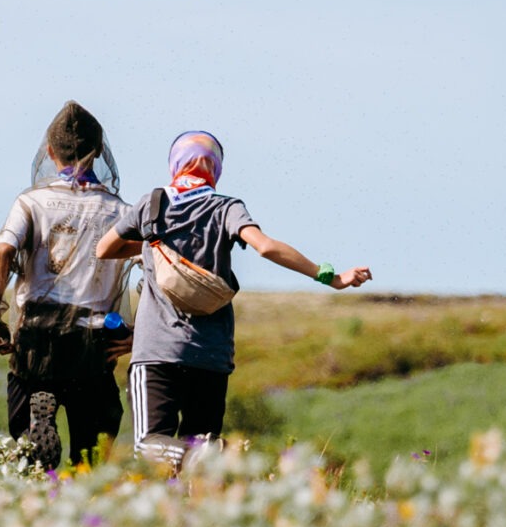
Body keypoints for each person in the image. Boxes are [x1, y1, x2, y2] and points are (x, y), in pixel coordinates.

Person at [94, 129, 370, 466]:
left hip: (157, 353)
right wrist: (330, 277)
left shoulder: (152, 205)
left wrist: (154, 243)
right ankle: (206, 457)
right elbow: (265, 247)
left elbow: (104, 249)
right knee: (200, 466)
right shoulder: (227, 208)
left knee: (150, 447)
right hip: (211, 354)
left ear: (175, 164)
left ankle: (202, 455)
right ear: (215, 168)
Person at [0, 102, 134, 469]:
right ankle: (85, 484)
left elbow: (2, 252)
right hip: (94, 339)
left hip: (37, 336)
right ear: (99, 152)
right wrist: (138, 334)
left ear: (49, 152)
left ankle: (35, 431)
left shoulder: (31, 203)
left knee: (26, 444)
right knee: (93, 451)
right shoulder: (122, 212)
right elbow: (157, 266)